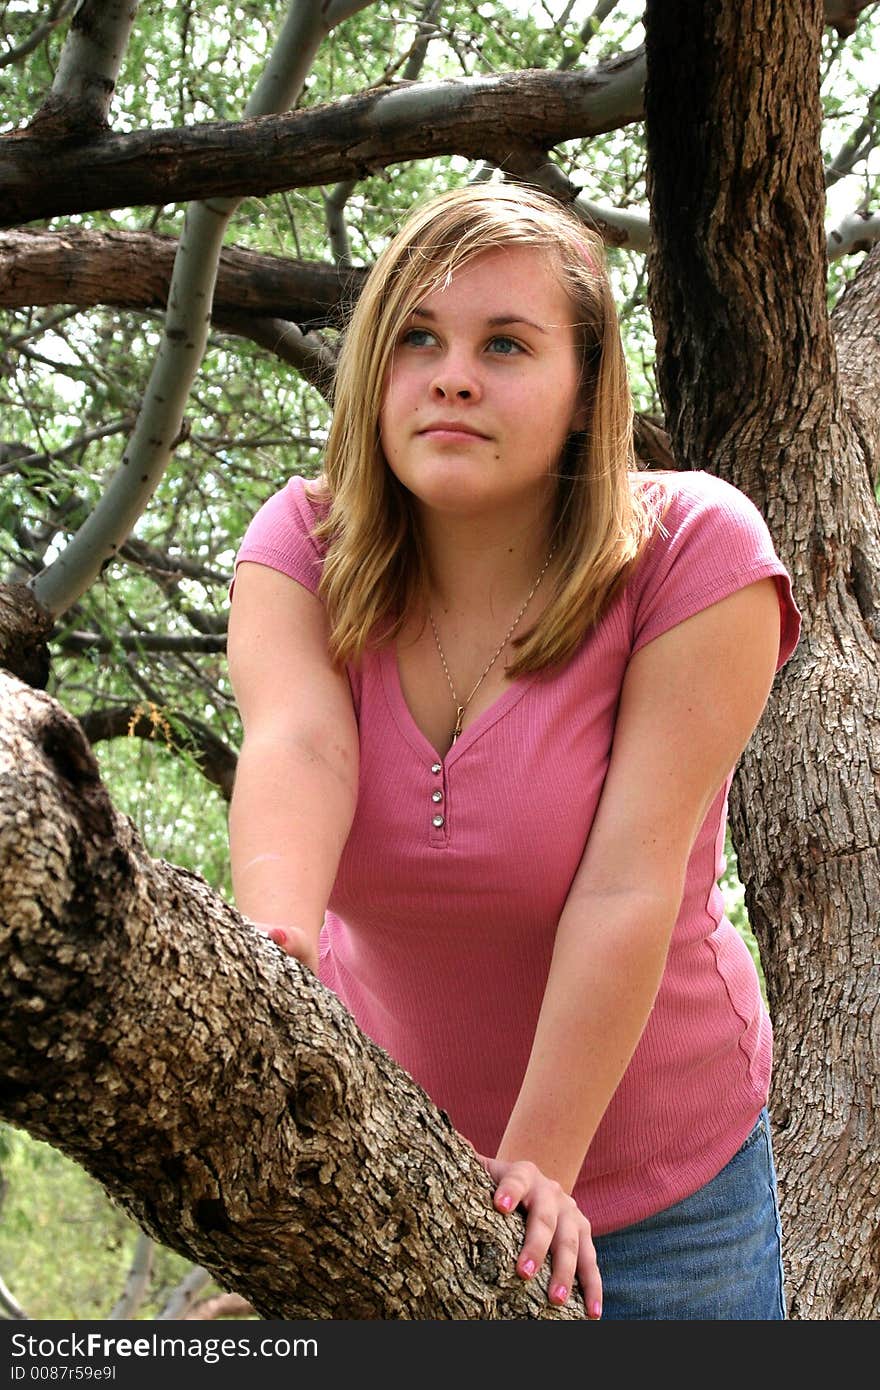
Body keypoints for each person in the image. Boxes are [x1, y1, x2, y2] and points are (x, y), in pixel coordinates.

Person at [226, 181, 801, 1320]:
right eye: (417, 340)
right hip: (390, 1166)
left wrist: (539, 1162)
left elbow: (629, 879)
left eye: (504, 343)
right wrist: (269, 960)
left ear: (587, 392)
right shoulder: (299, 540)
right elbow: (299, 747)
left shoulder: (694, 550)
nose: (451, 375)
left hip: (667, 1198)